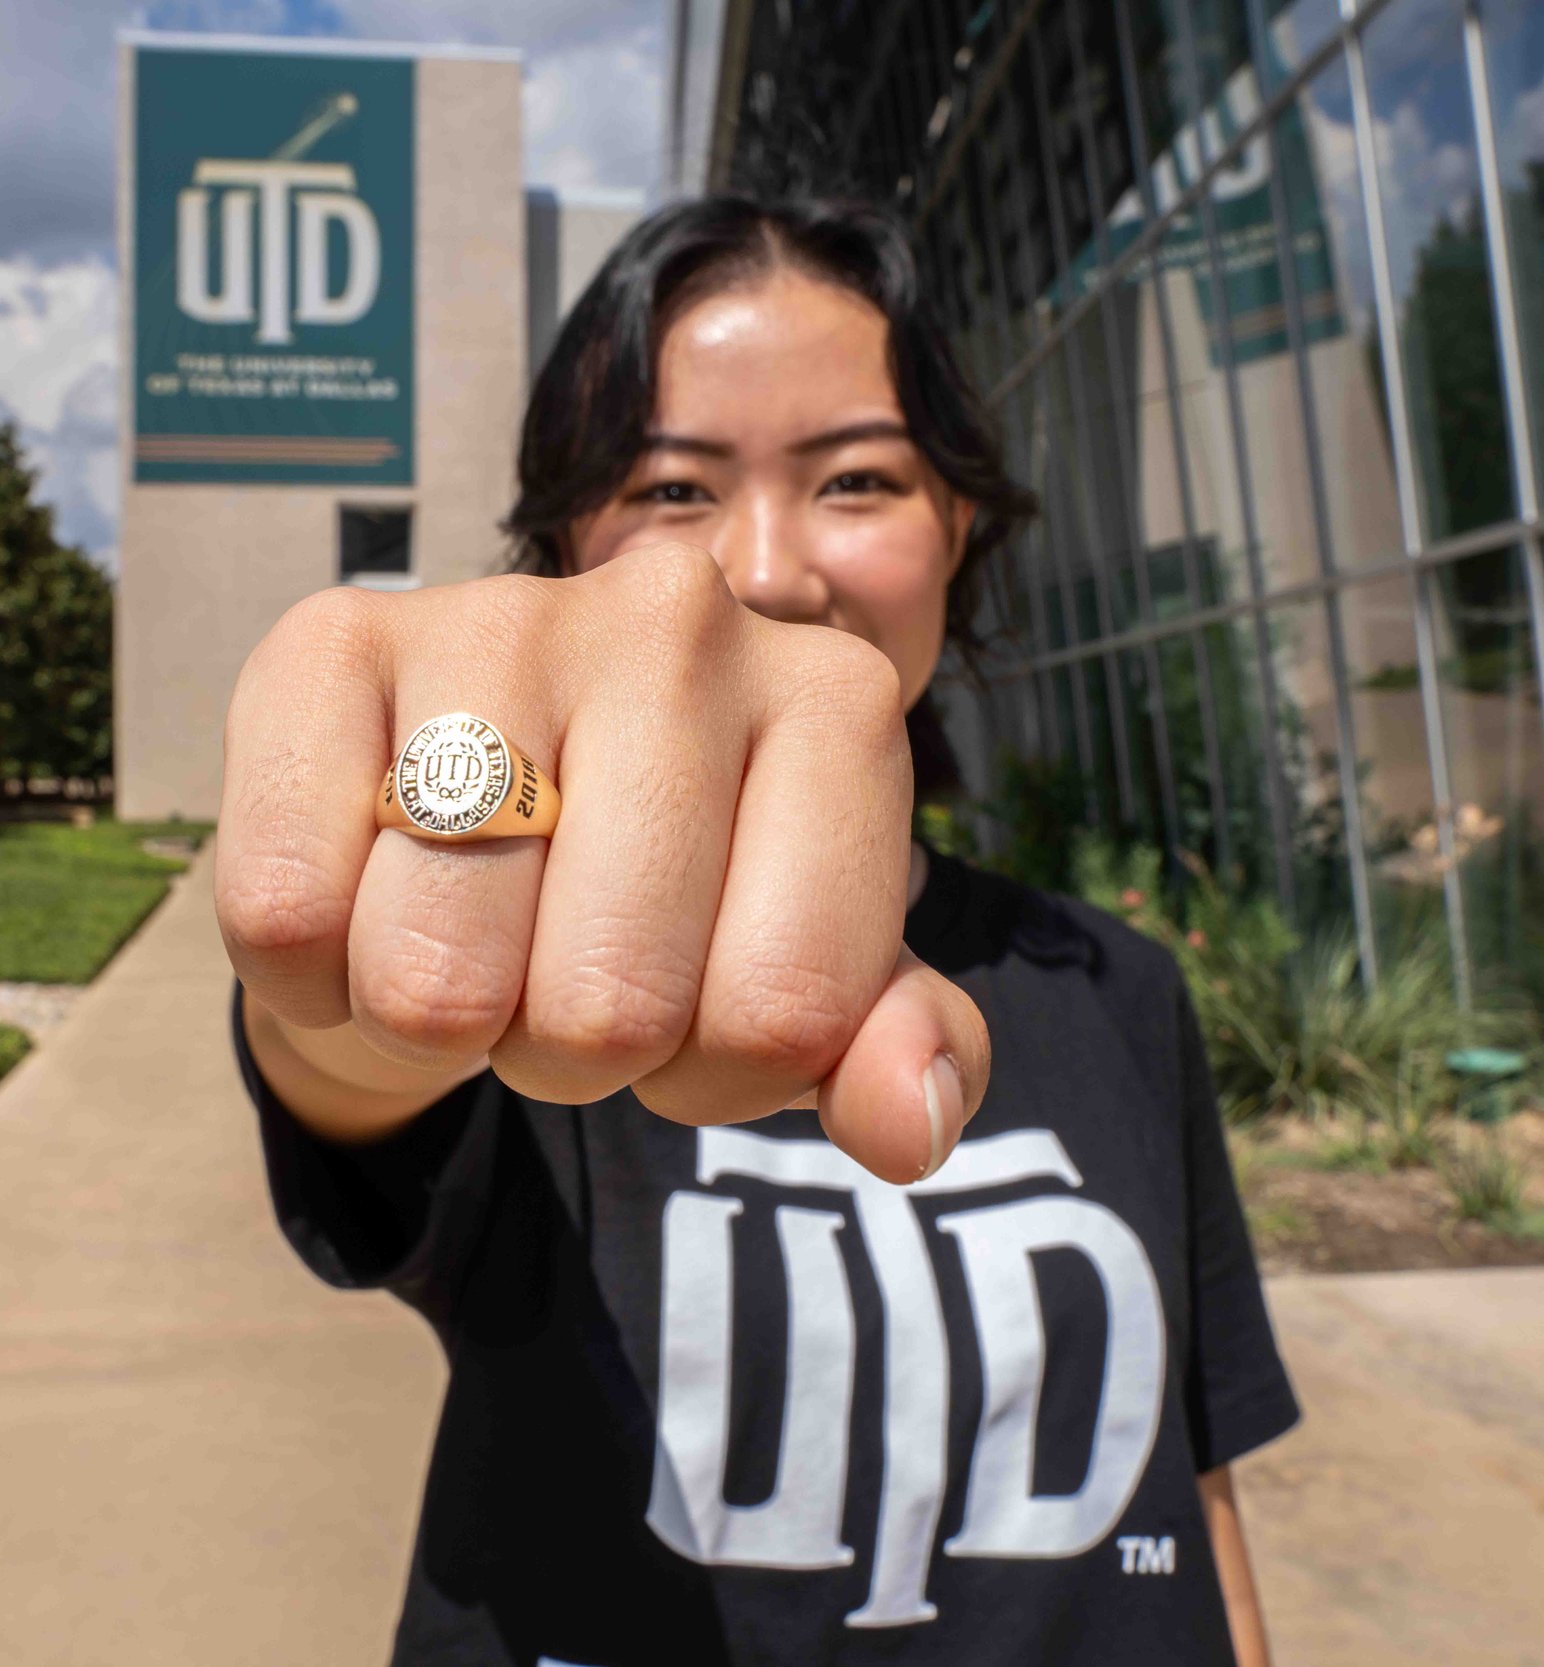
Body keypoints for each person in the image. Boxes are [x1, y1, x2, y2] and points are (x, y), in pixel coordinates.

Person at [217, 193, 1298, 1665]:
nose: (771, 569)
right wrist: (402, 893)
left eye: (858, 478)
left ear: (958, 525)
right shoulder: (522, 975)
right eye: (673, 488)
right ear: (568, 544)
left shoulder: (1121, 987)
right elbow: (347, 1054)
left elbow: (1196, 1477)